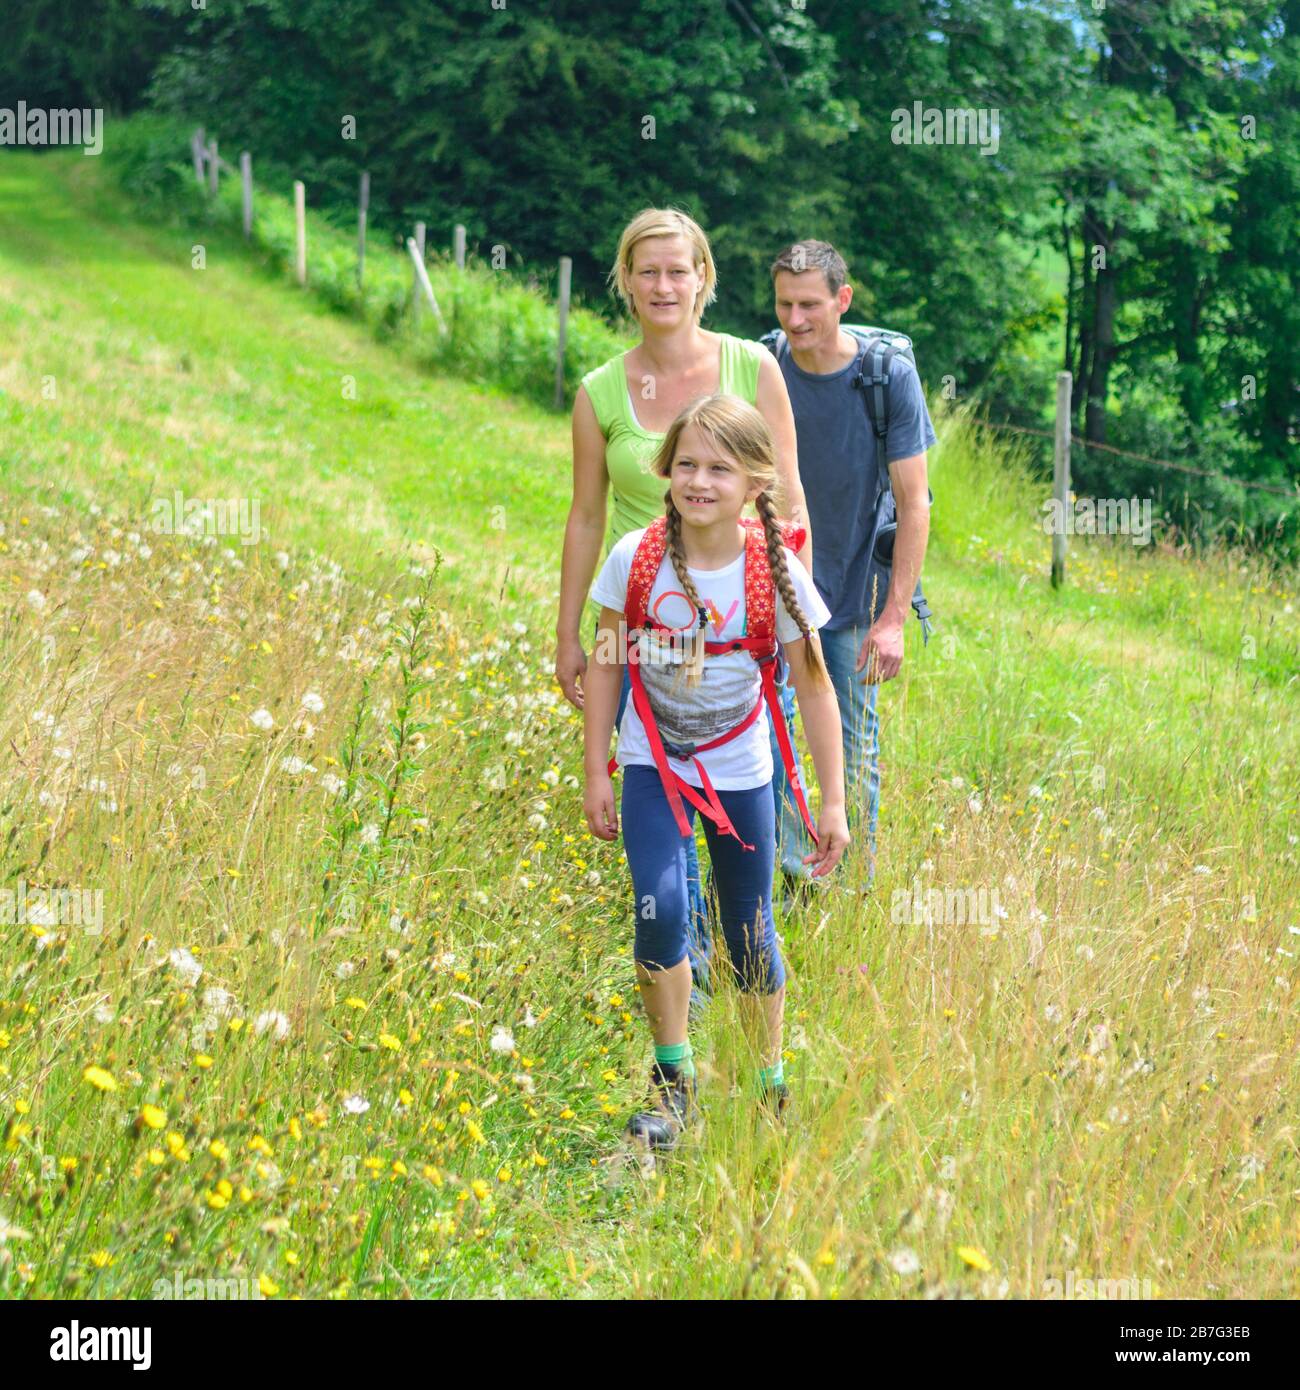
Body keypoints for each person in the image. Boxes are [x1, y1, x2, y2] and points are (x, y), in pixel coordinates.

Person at [555, 207, 812, 996]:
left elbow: (790, 506)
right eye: (647, 271)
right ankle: (681, 1001)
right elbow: (588, 516)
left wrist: (787, 627)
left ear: (704, 277)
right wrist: (570, 635)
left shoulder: (752, 368)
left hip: (742, 638)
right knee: (657, 837)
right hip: (643, 637)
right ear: (625, 283)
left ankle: (746, 998)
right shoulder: (601, 390)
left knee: (742, 843)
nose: (664, 285)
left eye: (679, 270)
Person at [583, 393, 848, 1150]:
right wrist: (596, 769)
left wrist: (832, 805)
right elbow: (606, 664)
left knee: (750, 930)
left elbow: (816, 685)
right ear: (666, 471)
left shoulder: (776, 572)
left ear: (755, 483)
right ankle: (673, 1084)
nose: (700, 481)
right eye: (687, 464)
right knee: (660, 910)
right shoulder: (634, 557)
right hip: (651, 764)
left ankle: (768, 1080)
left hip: (741, 770)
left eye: (720, 469)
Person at [765, 241, 934, 903]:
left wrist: (894, 619)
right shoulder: (764, 363)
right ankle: (790, 873)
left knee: (854, 747)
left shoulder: (884, 374)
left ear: (843, 299)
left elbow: (915, 501)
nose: (796, 318)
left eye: (810, 304)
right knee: (771, 735)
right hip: (778, 589)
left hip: (856, 591)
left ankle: (849, 889)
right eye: (784, 303)